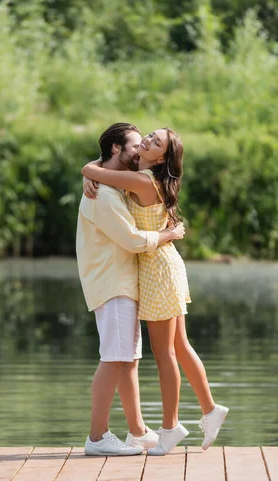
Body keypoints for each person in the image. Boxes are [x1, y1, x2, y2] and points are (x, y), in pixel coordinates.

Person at [82, 127, 229, 455]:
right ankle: (209, 409)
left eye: (154, 142)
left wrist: (87, 173)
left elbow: (96, 169)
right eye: (147, 136)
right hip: (164, 266)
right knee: (179, 345)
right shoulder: (142, 175)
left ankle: (169, 427)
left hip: (158, 269)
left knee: (166, 354)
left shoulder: (142, 181)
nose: (147, 141)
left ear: (161, 156)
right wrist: (92, 174)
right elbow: (104, 168)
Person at [76, 123, 186, 456]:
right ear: (115, 150)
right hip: (112, 284)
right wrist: (169, 235)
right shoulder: (105, 194)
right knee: (113, 359)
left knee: (128, 360)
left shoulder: (112, 185)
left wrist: (91, 171)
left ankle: (137, 431)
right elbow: (133, 240)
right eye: (135, 146)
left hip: (124, 282)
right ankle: (97, 437)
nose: (140, 151)